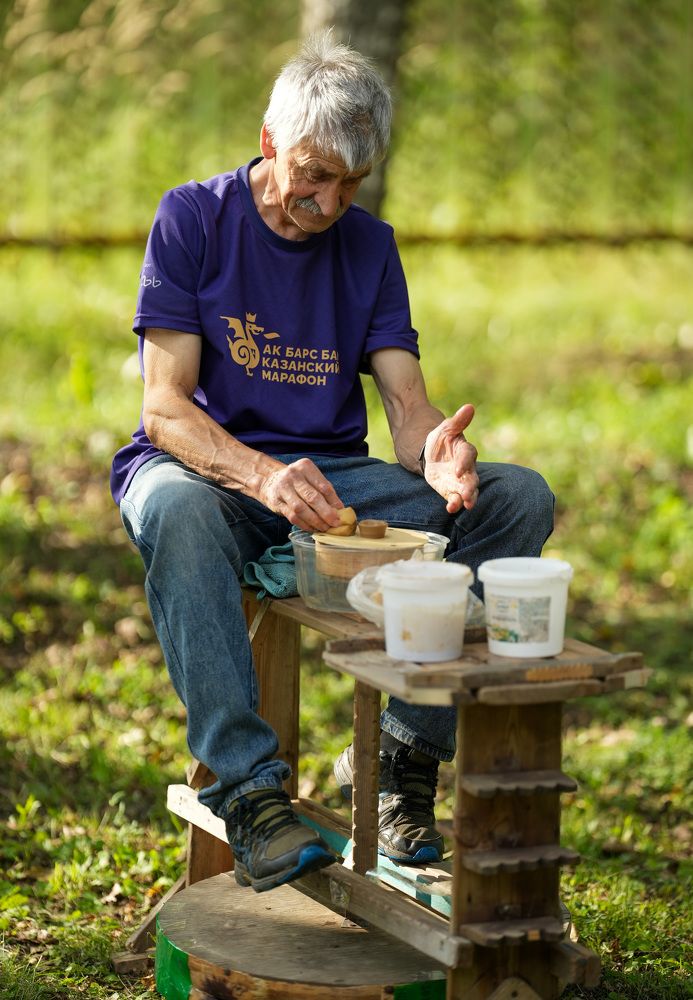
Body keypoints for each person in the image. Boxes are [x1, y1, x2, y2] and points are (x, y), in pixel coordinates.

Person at [111, 31, 555, 894]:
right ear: (271, 141)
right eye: (313, 174)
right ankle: (251, 794)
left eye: (350, 183)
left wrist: (438, 451)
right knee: (175, 510)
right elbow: (163, 409)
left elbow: (404, 404)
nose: (327, 202)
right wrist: (262, 476)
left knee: (515, 500)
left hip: (330, 486)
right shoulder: (193, 218)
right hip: (208, 473)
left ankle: (399, 760)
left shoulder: (368, 245)